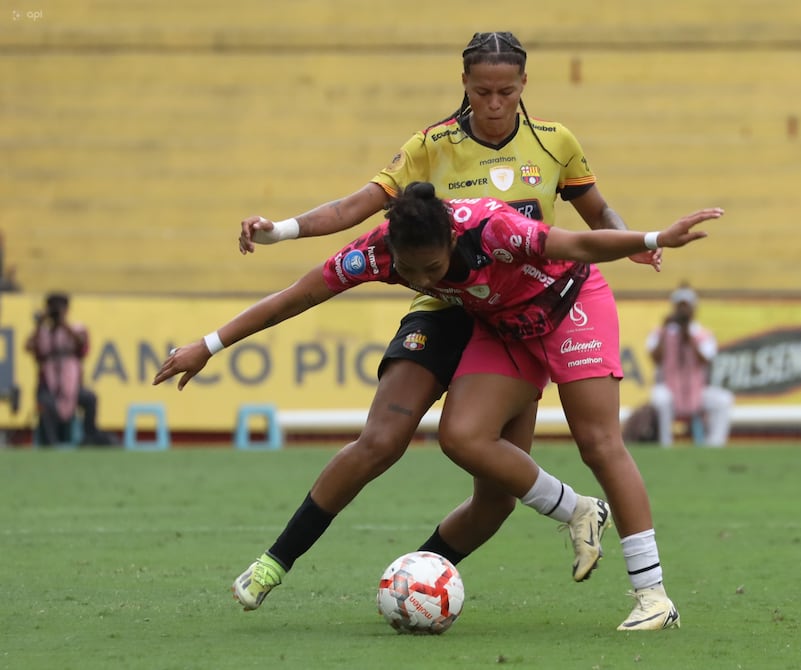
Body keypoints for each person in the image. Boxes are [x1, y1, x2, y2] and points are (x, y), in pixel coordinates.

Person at [227, 30, 672, 625]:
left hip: (540, 302)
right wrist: (279, 231)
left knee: (519, 483)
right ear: (463, 84)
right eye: (483, 90)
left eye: (506, 92)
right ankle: (276, 563)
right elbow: (353, 210)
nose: (494, 103)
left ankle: (641, 590)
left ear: (522, 88)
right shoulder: (429, 147)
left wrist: (638, 241)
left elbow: (591, 222)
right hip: (450, 304)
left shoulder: (553, 144)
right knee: (387, 438)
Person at [157, 183, 722, 629]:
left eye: (433, 268)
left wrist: (652, 238)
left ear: (452, 242)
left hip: (569, 301)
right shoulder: (377, 252)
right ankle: (575, 509)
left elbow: (572, 245)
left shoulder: (494, 229)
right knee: (460, 437)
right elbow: (298, 296)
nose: (424, 279)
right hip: (504, 327)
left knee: (598, 442)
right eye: (412, 272)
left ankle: (653, 597)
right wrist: (208, 346)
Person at [646, 283, 734, 447]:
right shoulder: (662, 331)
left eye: (686, 307)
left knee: (723, 400)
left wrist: (689, 337)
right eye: (680, 307)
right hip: (670, 389)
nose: (683, 312)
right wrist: (666, 331)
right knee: (660, 398)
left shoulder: (702, 334)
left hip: (697, 391)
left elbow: (705, 360)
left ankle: (715, 445)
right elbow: (655, 357)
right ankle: (665, 445)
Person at [25, 292, 115, 446]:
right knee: (44, 402)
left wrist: (63, 324)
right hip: (49, 385)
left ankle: (89, 436)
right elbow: (29, 347)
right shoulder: (44, 332)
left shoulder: (75, 328)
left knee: (90, 398)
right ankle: (50, 443)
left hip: (72, 385)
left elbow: (83, 347)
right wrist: (40, 324)